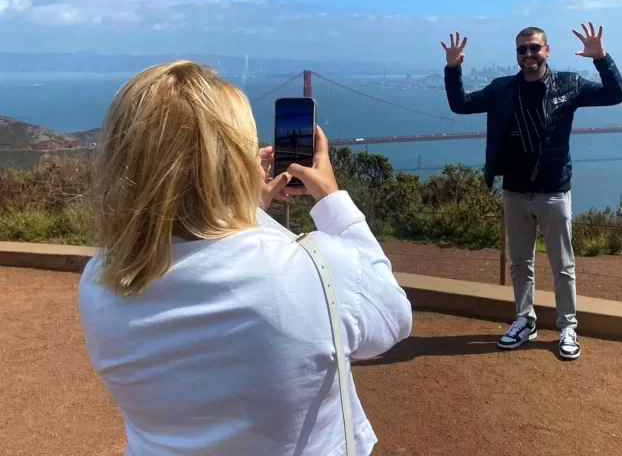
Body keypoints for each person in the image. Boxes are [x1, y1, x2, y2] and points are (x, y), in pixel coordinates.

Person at [78, 61, 412, 455]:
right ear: (235, 160)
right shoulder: (314, 273)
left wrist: (242, 207)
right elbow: (394, 318)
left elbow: (208, 251)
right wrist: (332, 198)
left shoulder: (102, 279)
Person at [441, 23, 622, 360]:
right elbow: (461, 104)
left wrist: (601, 58)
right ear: (517, 54)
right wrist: (453, 69)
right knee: (520, 263)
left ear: (547, 50)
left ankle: (568, 326)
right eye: (522, 49)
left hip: (554, 191)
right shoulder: (501, 89)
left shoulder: (569, 84)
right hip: (514, 191)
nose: (528, 54)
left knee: (563, 266)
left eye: (534, 48)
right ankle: (525, 321)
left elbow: (615, 95)